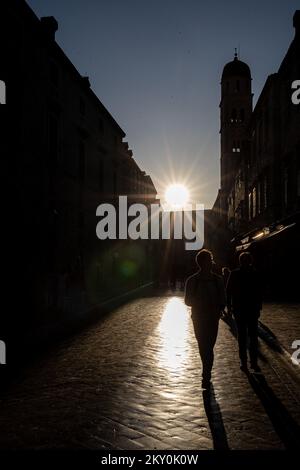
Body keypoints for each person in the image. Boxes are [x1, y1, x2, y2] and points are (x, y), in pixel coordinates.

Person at [185, 249, 226, 389]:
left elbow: (223, 299)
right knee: (204, 346)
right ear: (200, 263)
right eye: (205, 261)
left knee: (209, 346)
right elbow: (187, 301)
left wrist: (219, 307)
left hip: (212, 318)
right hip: (199, 318)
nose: (207, 263)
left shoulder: (218, 280)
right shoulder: (192, 281)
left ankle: (206, 371)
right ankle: (206, 373)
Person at [226, 252, 262, 372]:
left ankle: (244, 362)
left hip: (241, 309)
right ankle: (253, 362)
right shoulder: (255, 273)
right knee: (252, 337)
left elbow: (228, 291)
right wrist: (259, 307)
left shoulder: (235, 274)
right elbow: (258, 293)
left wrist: (229, 307)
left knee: (243, 337)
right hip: (250, 309)